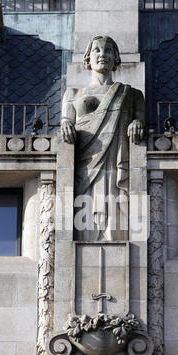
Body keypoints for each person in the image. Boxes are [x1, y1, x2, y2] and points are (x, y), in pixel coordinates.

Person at [61, 35, 145, 241]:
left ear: (115, 58)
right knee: (86, 209)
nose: (102, 55)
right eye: (97, 50)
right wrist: (66, 125)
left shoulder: (132, 95)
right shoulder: (72, 94)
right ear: (88, 58)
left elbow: (141, 122)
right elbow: (65, 124)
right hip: (85, 163)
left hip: (116, 162)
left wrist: (137, 123)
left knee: (116, 206)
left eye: (108, 50)